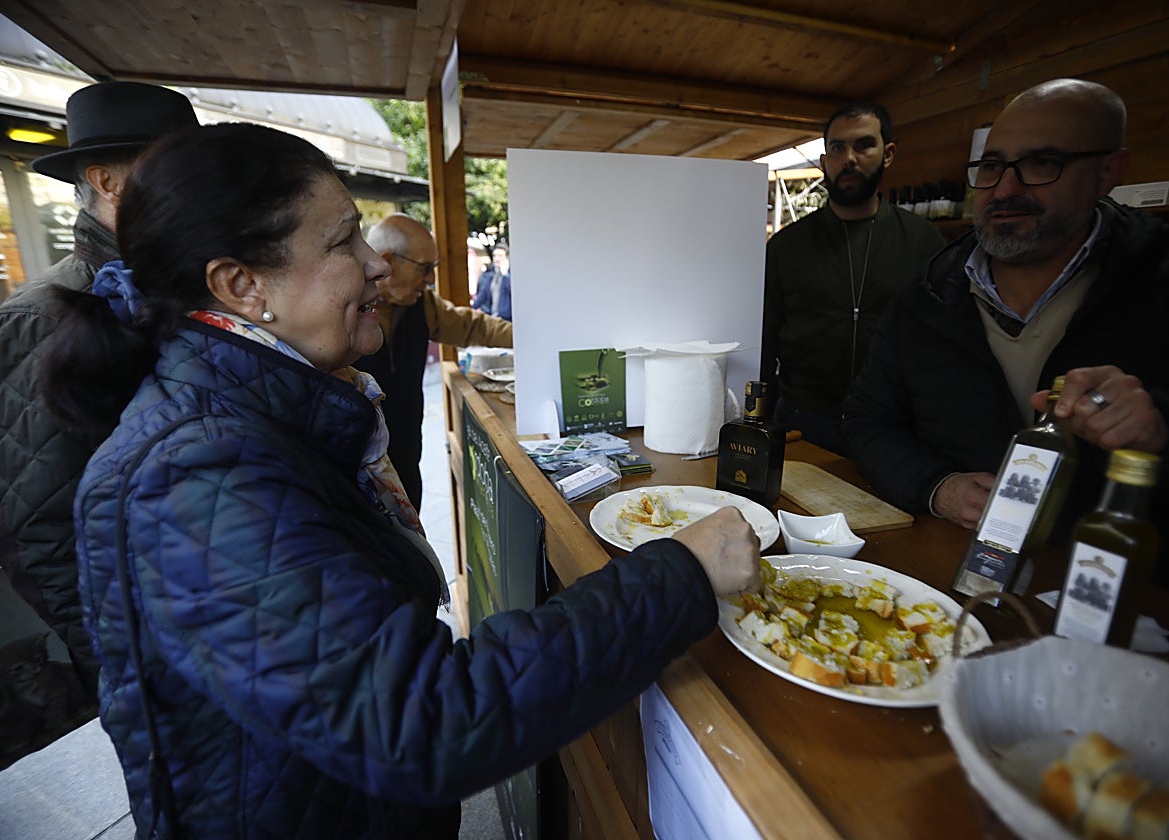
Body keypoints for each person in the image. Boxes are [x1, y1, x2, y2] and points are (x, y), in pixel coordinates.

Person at [43, 122, 760, 838]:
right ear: (242, 286)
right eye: (344, 243)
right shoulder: (198, 471)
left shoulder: (261, 413)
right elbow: (422, 721)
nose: (377, 268)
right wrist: (680, 575)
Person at [841, 79, 1168, 580]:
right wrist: (938, 487)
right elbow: (867, 420)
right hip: (948, 564)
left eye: (1041, 163)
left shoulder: (1155, 281)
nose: (1006, 190)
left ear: (1108, 172)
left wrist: (1159, 421)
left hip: (1115, 591)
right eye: (992, 167)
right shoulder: (927, 295)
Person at [0, 81, 199, 696]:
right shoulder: (35, 322)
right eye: (178, 168)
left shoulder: (184, 284)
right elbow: (39, 534)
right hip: (158, 653)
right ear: (108, 181)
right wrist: (122, 670)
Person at [760, 102, 945, 453]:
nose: (849, 158)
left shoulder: (924, 242)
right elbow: (766, 341)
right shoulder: (787, 245)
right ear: (823, 160)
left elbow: (939, 342)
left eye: (863, 145)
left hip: (893, 425)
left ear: (888, 154)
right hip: (803, 420)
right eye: (837, 147)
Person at [354, 215, 511, 511]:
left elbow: (474, 326)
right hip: (357, 476)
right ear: (388, 261)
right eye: (425, 269)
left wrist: (533, 337)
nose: (430, 280)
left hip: (407, 460)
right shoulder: (343, 312)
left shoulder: (421, 305)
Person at [472, 243, 512, 321]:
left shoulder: (510, 275)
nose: (496, 259)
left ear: (507, 258)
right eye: (494, 255)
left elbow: (514, 293)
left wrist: (505, 274)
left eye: (500, 256)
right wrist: (471, 309)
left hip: (508, 319)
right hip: (494, 317)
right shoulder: (490, 276)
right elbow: (482, 295)